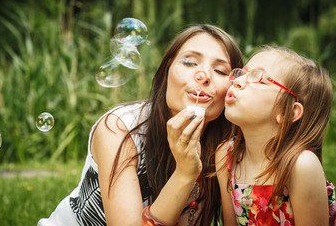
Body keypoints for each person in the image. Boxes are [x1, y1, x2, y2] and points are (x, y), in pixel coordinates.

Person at [37, 24, 243, 226]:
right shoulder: (120, 128)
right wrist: (185, 173)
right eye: (189, 63)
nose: (203, 76)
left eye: (220, 71)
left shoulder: (224, 150)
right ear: (167, 70)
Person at [216, 46, 336, 225]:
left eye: (258, 78)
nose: (237, 81)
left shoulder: (301, 166)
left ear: (287, 112)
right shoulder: (225, 156)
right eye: (242, 73)